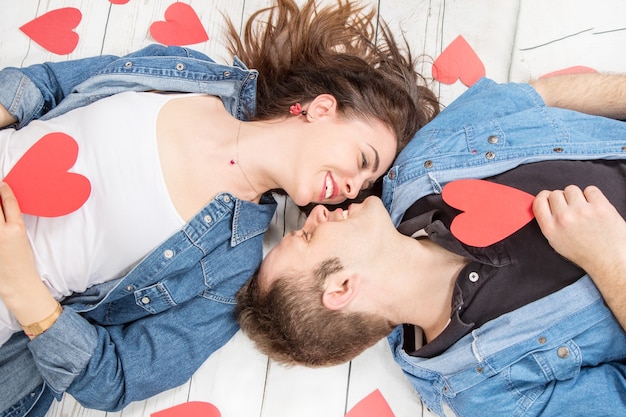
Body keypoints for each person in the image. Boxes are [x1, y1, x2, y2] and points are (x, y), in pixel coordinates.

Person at [0, 1, 440, 416]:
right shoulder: (188, 72)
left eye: (362, 187)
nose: (352, 185)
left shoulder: (230, 267)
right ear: (322, 109)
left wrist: (23, 289)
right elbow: (49, 86)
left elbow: (119, 377)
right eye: (363, 161)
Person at [236, 74, 626, 416]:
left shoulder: (423, 162)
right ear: (341, 287)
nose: (316, 215)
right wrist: (610, 259)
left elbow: (538, 95)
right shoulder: (487, 395)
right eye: (307, 236)